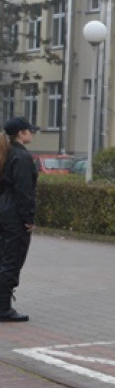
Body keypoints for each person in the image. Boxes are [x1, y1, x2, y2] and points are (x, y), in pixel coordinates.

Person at [0, 117, 39, 322]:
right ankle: (3, 308)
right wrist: (28, 218)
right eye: (29, 130)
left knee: (3, 257)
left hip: (4, 209)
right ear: (21, 134)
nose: (32, 133)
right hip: (14, 213)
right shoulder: (21, 156)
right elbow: (24, 191)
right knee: (12, 260)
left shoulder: (6, 153)